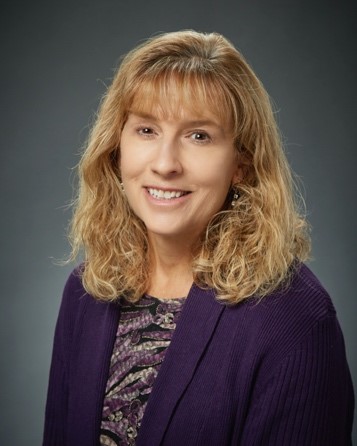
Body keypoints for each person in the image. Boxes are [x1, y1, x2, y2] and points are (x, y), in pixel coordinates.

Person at [43, 30, 354, 446]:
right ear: (116, 149)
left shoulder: (296, 321)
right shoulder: (87, 292)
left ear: (241, 163)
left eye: (199, 136)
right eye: (147, 130)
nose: (166, 164)